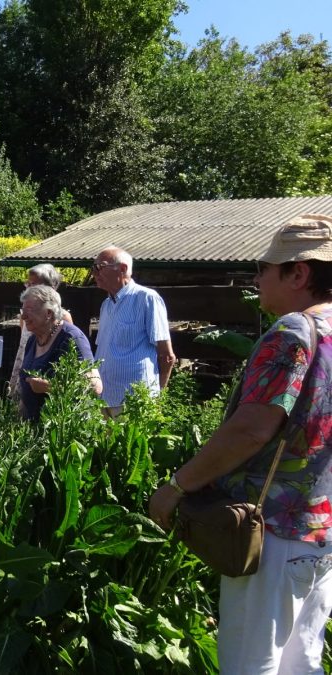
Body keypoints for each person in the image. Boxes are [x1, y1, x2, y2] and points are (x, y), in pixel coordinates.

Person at [149, 214, 332, 674]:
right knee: (302, 663)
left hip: (269, 532)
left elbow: (252, 428)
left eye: (264, 269)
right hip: (322, 530)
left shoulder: (295, 330)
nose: (256, 280)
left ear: (300, 272)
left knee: (251, 664)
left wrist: (177, 486)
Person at [92, 246, 176, 416]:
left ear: (122, 269)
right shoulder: (106, 305)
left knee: (133, 443)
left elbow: (167, 356)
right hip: (104, 399)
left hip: (134, 402)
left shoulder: (146, 298)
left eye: (99, 267)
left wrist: (158, 397)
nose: (94, 273)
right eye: (93, 268)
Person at [16, 285, 101, 421]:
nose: (23, 316)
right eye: (22, 310)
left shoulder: (71, 338)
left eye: (29, 310)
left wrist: (50, 387)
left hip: (61, 429)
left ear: (49, 313)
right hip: (32, 429)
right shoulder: (33, 340)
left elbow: (94, 387)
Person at [8, 264, 72, 396]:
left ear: (50, 288)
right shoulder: (25, 316)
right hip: (25, 369)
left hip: (44, 375)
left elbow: (68, 350)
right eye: (28, 284)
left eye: (34, 284)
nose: (29, 288)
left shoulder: (62, 316)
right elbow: (23, 347)